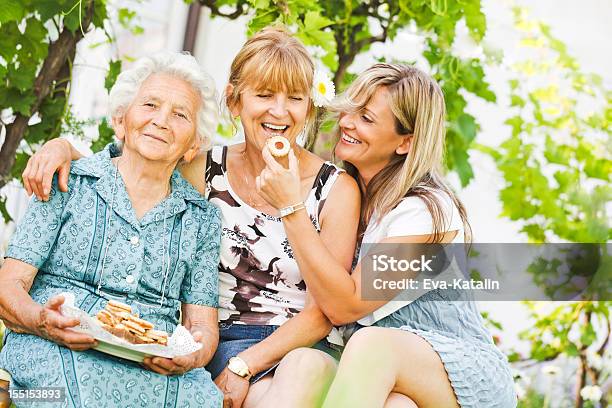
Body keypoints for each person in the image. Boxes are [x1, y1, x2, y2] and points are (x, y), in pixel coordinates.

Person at [21, 27, 359, 408]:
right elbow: (135, 163)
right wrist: (62, 147)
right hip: (216, 339)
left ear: (308, 108)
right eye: (264, 95)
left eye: (294, 99)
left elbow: (327, 311)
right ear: (234, 102)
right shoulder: (204, 168)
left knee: (294, 378)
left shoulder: (336, 189)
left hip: (293, 346)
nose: (279, 111)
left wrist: (243, 366)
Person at [257, 63, 517, 407]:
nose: (347, 123)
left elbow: (345, 305)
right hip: (381, 372)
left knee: (373, 344)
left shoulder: (424, 212)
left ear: (405, 142)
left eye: (366, 118)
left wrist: (292, 208)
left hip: (457, 372)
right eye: (351, 109)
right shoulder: (345, 194)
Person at [0, 52, 224, 406]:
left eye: (180, 114)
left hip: (151, 364)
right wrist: (41, 321)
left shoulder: (202, 219)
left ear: (194, 144)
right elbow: (8, 285)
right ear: (121, 121)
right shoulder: (67, 180)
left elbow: (203, 327)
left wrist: (192, 356)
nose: (161, 121)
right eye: (150, 104)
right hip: (54, 348)